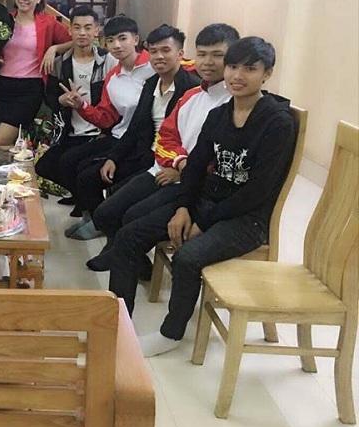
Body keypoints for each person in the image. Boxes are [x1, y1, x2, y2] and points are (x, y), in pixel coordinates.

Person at [106, 37, 295, 357]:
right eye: (233, 67)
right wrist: (184, 208)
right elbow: (195, 168)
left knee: (187, 257)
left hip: (247, 218)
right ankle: (116, 325)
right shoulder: (219, 114)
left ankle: (171, 333)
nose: (237, 75)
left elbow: (258, 191)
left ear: (267, 74)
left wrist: (203, 222)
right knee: (127, 236)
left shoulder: (277, 122)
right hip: (207, 202)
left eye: (250, 69)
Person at [89, 23, 239, 270]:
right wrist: (114, 157)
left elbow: (220, 155)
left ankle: (125, 253)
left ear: (180, 53)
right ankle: (124, 253)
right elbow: (156, 133)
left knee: (130, 215)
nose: (159, 56)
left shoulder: (195, 89)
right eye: (202, 54)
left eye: (165, 50)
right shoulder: (159, 86)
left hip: (181, 175)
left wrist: (181, 168)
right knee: (106, 208)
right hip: (160, 160)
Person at [59, 15, 155, 239]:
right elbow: (106, 117)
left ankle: (101, 222)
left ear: (135, 39)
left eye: (123, 38)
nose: (117, 45)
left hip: (143, 142)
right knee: (69, 161)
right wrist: (81, 105)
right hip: (119, 135)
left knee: (87, 175)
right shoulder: (113, 76)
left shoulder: (154, 67)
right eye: (110, 41)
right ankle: (92, 215)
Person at [0, 0, 73, 146]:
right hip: (2, 86)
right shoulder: (3, 19)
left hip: (30, 88)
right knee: (10, 143)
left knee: (0, 140)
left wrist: (54, 49)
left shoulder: (48, 23)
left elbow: (72, 41)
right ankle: (14, 165)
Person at [37, 5, 117, 206]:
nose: (82, 33)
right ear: (70, 30)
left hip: (100, 132)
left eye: (88, 28)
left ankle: (85, 203)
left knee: (70, 161)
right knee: (43, 166)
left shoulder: (108, 61)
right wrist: (61, 100)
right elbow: (50, 97)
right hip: (71, 131)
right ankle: (79, 195)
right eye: (77, 27)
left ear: (96, 30)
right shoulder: (59, 63)